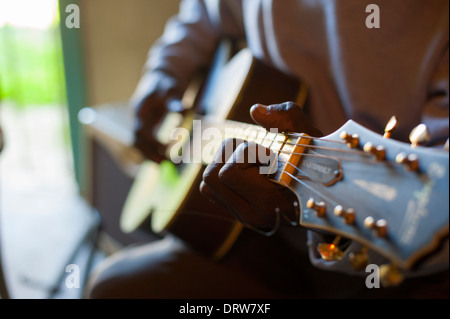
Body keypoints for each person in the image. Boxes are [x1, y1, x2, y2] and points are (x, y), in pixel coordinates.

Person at [84, 0, 449, 298]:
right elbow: (202, 14)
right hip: (257, 235)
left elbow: (434, 208)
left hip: (376, 253)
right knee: (115, 286)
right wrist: (162, 74)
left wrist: (315, 209)